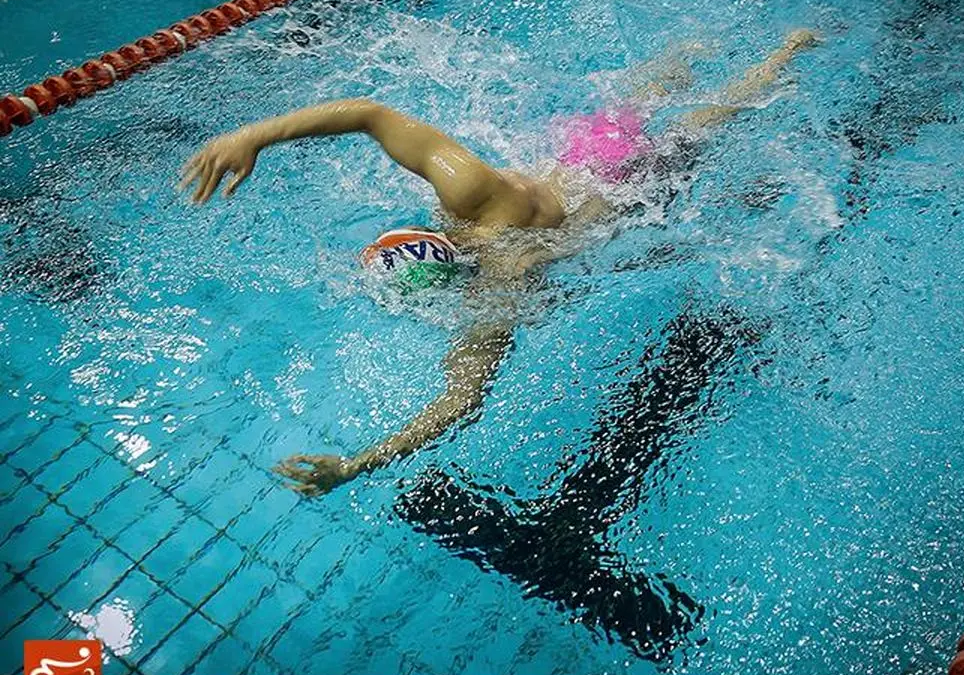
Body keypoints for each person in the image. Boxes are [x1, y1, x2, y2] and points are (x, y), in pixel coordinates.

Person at [179, 29, 820, 496]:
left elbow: (460, 403)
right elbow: (370, 115)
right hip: (593, 155)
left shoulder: (503, 283)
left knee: (710, 120)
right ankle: (734, 48)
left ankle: (786, 55)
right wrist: (251, 136)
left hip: (638, 187)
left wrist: (356, 465)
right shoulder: (473, 194)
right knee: (641, 102)